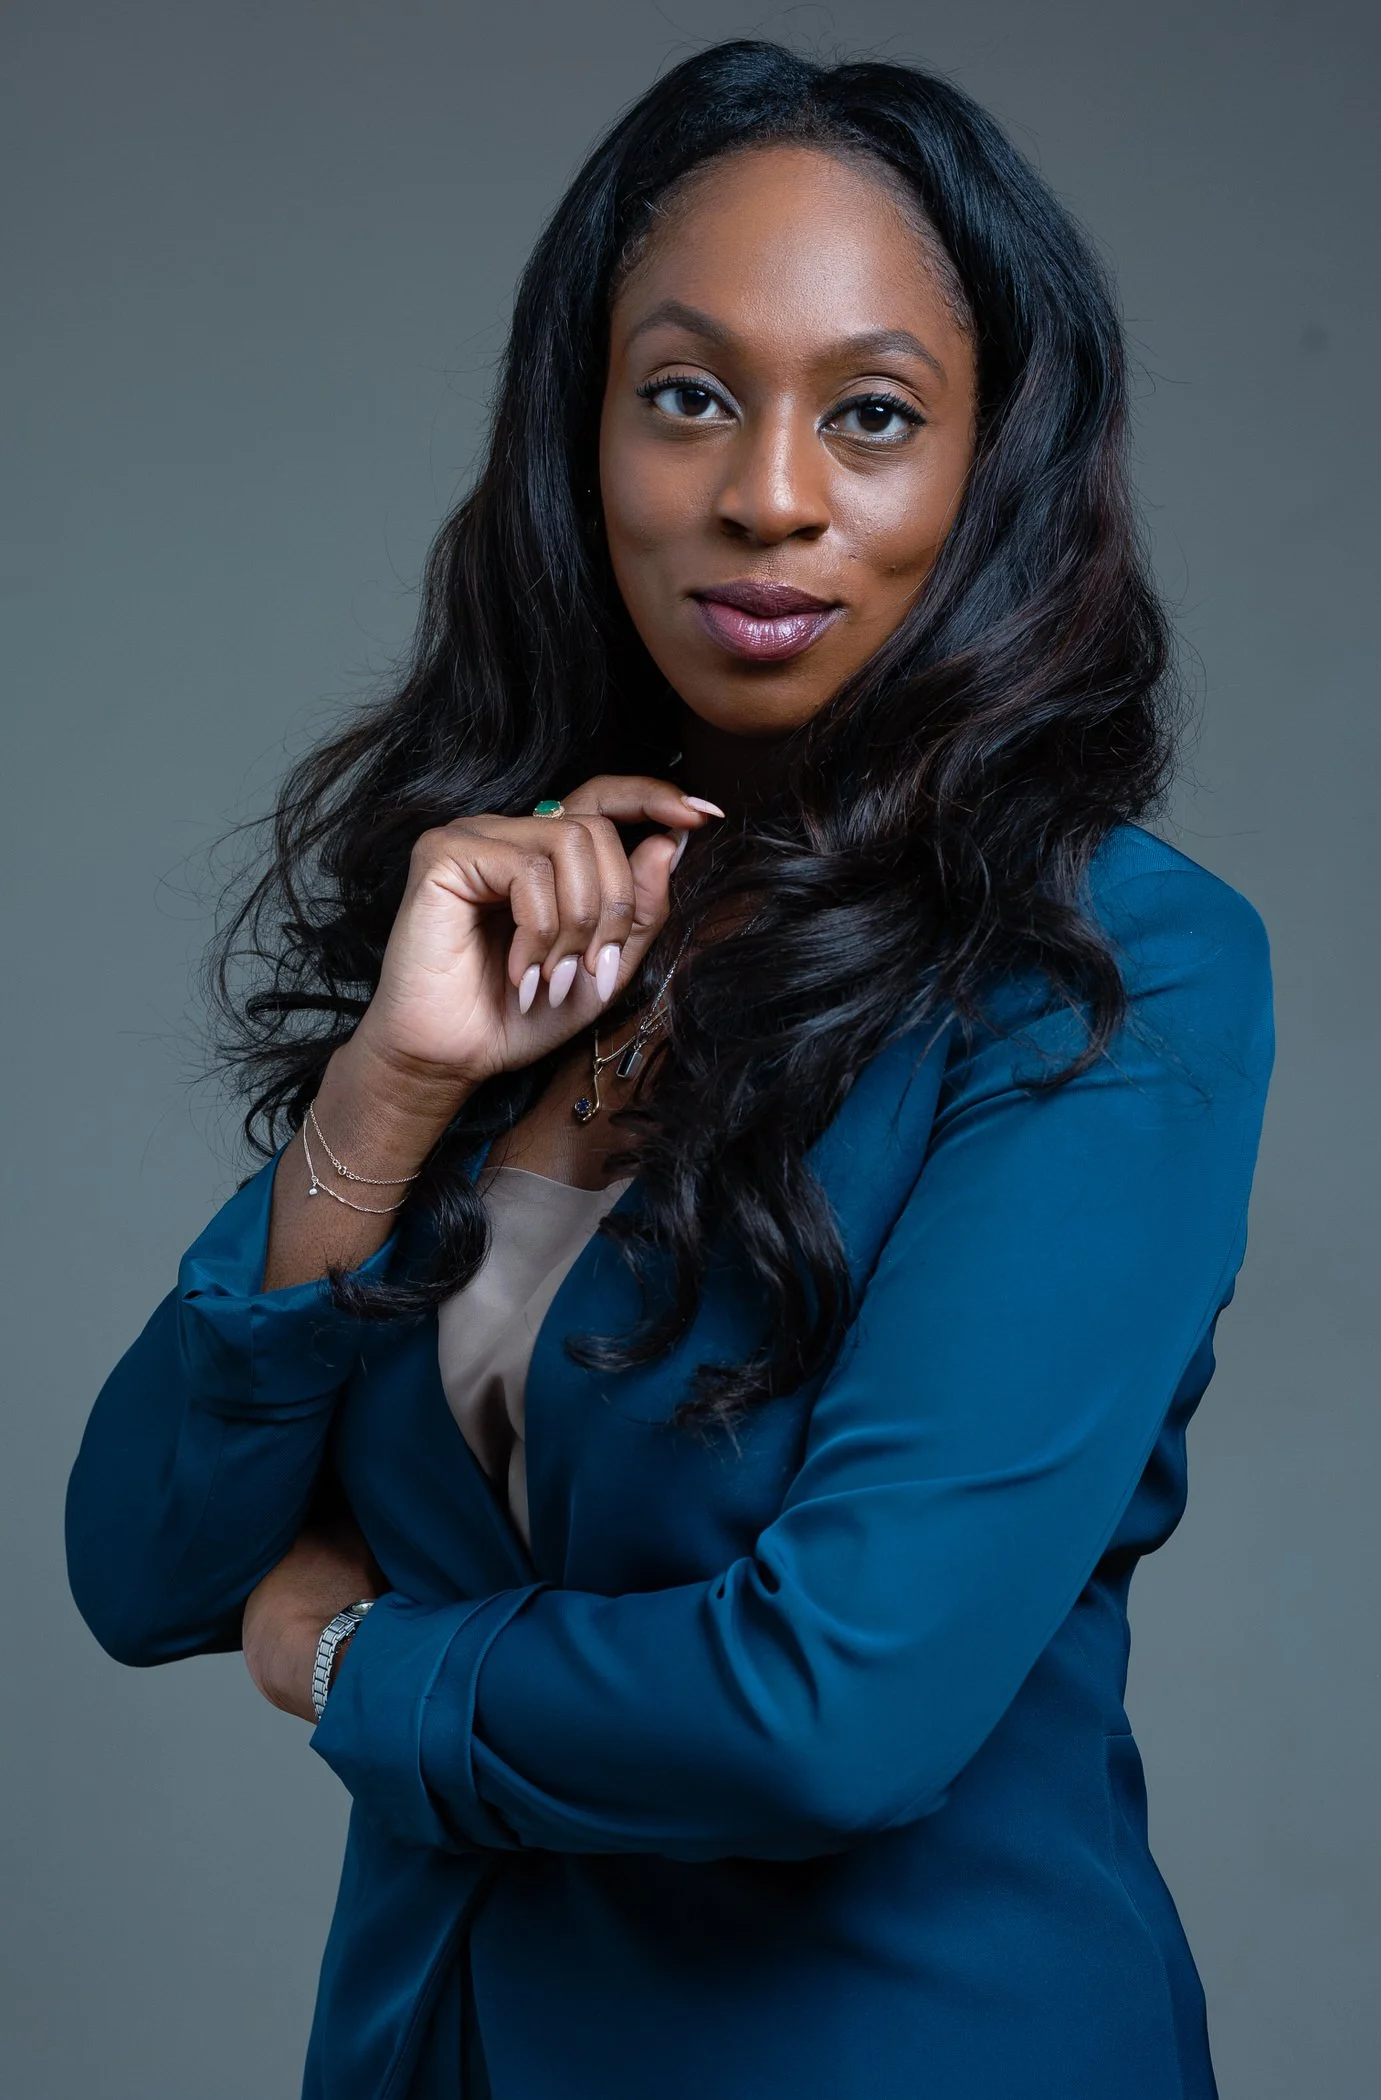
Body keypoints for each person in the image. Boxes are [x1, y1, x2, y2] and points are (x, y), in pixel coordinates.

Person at [65, 39, 1273, 2100]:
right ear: (582, 434)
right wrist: (390, 1089)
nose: (766, 495)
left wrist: (347, 1656)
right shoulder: (539, 910)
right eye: (688, 395)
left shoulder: (1103, 968)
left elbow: (828, 1710)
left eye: (871, 413)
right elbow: (144, 1562)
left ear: (990, 469)